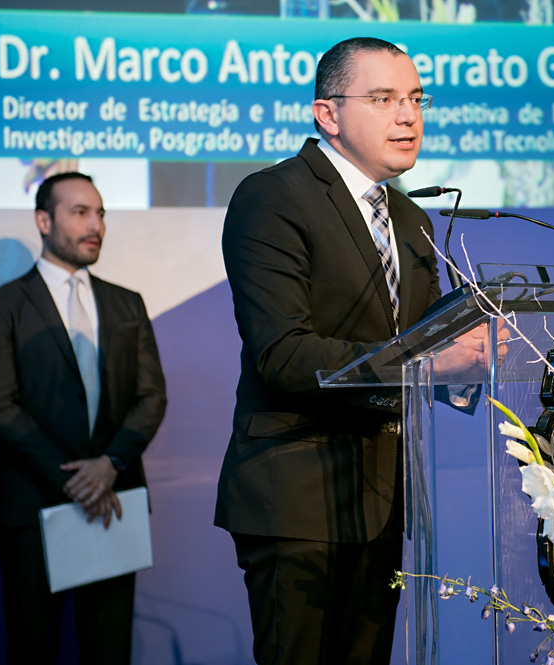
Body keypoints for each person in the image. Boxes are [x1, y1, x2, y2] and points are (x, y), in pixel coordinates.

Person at [214, 37, 506, 665]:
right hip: (298, 496)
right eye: (383, 99)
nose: (408, 116)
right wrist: (430, 362)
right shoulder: (273, 196)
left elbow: (425, 344)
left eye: (416, 99)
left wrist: (474, 355)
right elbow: (283, 355)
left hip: (382, 501)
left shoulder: (411, 218)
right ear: (328, 113)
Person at [0, 171, 167, 665]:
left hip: (113, 500)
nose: (95, 225)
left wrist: (110, 465)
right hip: (32, 506)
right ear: (43, 221)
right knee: (32, 649)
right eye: (80, 212)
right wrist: (78, 478)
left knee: (110, 651)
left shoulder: (127, 303)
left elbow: (151, 396)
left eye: (100, 213)